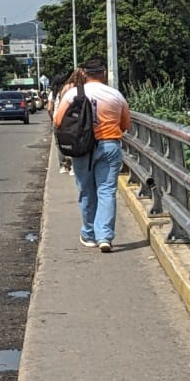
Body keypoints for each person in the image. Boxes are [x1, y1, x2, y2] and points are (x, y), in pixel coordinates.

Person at [52, 59, 130, 252]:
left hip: (82, 148)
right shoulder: (115, 95)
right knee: (106, 191)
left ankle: (89, 234)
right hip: (109, 145)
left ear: (85, 74)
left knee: (86, 190)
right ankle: (105, 237)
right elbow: (125, 125)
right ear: (104, 74)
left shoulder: (72, 94)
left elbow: (58, 121)